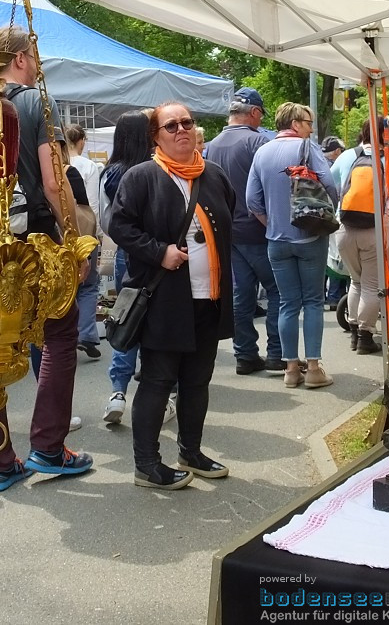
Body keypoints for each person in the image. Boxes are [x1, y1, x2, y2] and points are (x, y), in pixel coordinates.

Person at [0, 25, 93, 490]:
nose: (39, 64)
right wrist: (73, 237)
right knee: (60, 335)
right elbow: (52, 180)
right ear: (20, 58)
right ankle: (47, 446)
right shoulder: (33, 102)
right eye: (36, 55)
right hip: (34, 235)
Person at [108, 102, 236, 489]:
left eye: (187, 122)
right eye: (171, 125)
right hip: (164, 298)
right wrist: (158, 251)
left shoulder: (214, 175)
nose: (181, 130)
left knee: (197, 381)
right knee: (158, 381)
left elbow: (229, 217)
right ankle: (146, 464)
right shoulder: (141, 177)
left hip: (208, 297)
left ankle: (190, 451)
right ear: (156, 136)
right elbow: (119, 225)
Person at [246, 102, 338, 390]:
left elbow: (251, 200)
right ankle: (312, 369)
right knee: (312, 301)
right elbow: (331, 183)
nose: (311, 128)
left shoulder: (262, 151)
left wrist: (271, 223)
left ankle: (289, 370)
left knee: (287, 303)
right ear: (296, 122)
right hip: (310, 236)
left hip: (276, 240)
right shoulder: (307, 148)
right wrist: (324, 212)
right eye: (309, 122)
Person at [99, 110, 176, 425]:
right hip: (156, 253)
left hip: (122, 253)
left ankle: (117, 391)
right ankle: (161, 397)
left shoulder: (110, 172)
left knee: (127, 317)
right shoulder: (154, 169)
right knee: (157, 325)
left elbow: (107, 216)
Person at [204, 87, 283, 374]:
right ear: (254, 113)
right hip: (258, 230)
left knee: (241, 295)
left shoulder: (211, 146)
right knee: (277, 292)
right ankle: (276, 353)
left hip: (227, 232)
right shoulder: (259, 142)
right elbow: (270, 188)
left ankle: (245, 354)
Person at [334, 116, 389, 355]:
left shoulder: (346, 156)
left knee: (356, 282)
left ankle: (352, 331)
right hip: (373, 230)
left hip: (345, 228)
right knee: (371, 285)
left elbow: (331, 186)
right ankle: (365, 336)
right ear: (386, 134)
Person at [65, 124, 103, 360]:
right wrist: (96, 233)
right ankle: (86, 333)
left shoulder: (51, 166)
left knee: (65, 287)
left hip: (58, 232)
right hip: (85, 231)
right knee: (88, 286)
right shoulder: (88, 166)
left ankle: (66, 335)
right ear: (81, 140)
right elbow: (93, 204)